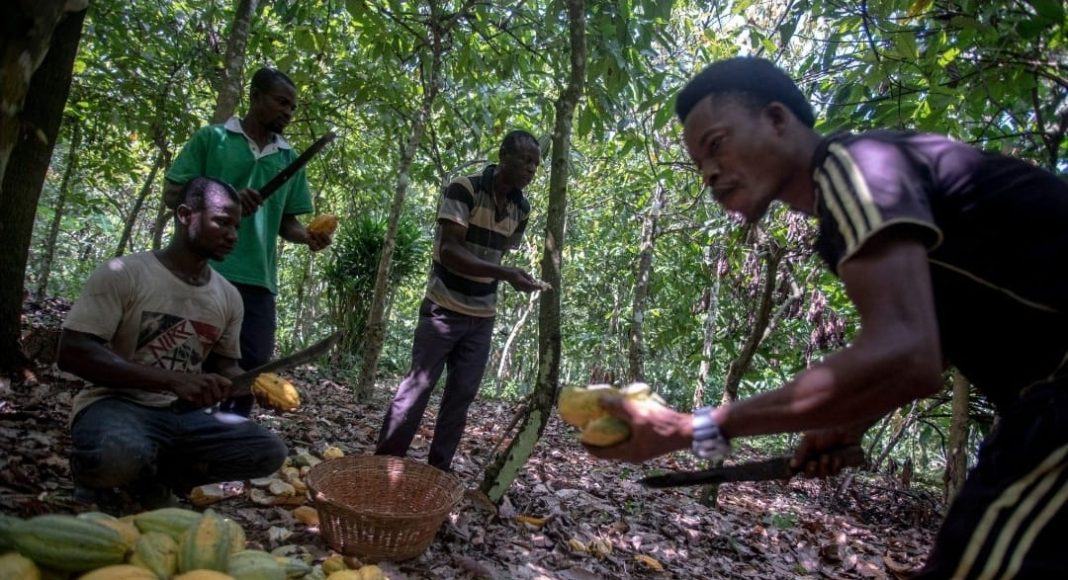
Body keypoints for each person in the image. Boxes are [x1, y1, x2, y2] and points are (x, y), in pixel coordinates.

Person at [585, 57, 1068, 578]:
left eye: (716, 144)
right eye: (699, 164)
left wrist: (691, 427)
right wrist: (846, 421)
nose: (709, 174)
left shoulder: (853, 165)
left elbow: (908, 354)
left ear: (776, 118)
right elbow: (936, 335)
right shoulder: (846, 219)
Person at [58, 177, 288, 513]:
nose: (233, 235)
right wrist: (172, 380)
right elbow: (73, 351)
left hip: (180, 415)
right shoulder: (125, 273)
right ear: (185, 215)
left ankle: (153, 480)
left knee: (267, 450)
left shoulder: (227, 296)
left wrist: (255, 385)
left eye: (236, 226)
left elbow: (225, 365)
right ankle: (95, 478)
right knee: (115, 455)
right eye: (222, 223)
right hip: (116, 403)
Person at [163, 67, 332, 417]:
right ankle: (171, 437)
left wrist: (308, 237)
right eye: (281, 102)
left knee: (248, 375)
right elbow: (172, 192)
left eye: (293, 107)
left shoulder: (289, 159)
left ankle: (223, 450)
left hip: (257, 281)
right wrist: (223, 199)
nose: (288, 112)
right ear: (255, 97)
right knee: (185, 363)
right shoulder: (213, 139)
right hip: (202, 271)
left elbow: (288, 223)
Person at [376, 130, 544, 471]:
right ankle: (383, 469)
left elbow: (497, 253)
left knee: (460, 398)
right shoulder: (463, 189)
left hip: (481, 317)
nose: (531, 170)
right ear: (503, 156)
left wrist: (513, 278)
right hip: (443, 308)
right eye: (525, 161)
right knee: (416, 390)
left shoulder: (521, 209)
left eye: (536, 164)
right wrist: (506, 275)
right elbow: (450, 251)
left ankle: (437, 474)